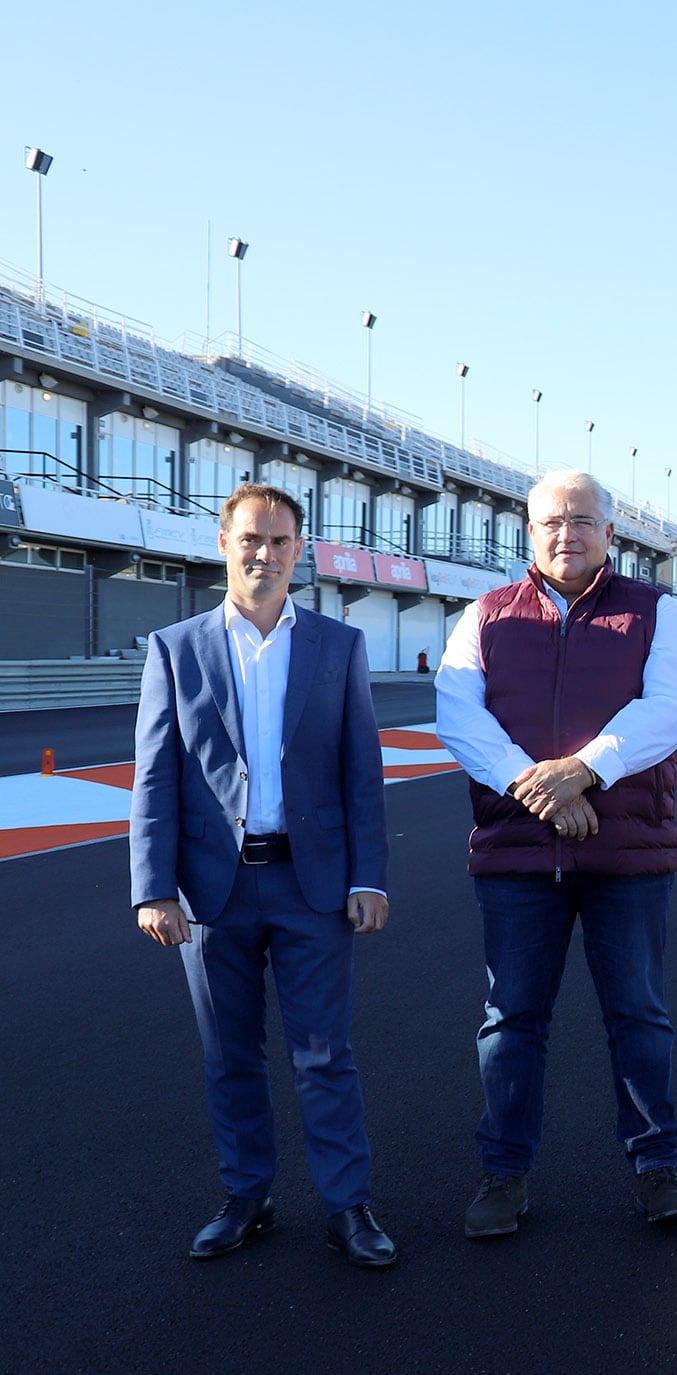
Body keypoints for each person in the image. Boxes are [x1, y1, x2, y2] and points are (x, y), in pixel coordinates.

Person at [129, 482, 396, 1268]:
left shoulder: (338, 646)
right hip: (213, 894)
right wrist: (152, 886)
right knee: (230, 1056)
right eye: (252, 538)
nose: (266, 554)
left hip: (312, 887)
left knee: (325, 1054)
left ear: (300, 550)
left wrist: (369, 876)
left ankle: (348, 1206)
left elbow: (362, 771)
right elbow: (155, 776)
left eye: (281, 541)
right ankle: (247, 1196)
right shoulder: (174, 649)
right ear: (223, 543)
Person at [436, 468, 677, 1238]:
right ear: (529, 532)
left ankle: (658, 1169)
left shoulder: (657, 613)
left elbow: (670, 709)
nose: (567, 533)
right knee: (511, 1019)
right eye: (552, 520)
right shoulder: (484, 616)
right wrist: (541, 786)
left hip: (627, 854)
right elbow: (459, 714)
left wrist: (585, 768)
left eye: (583, 520)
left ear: (609, 533)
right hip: (519, 853)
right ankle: (503, 1176)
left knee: (640, 1016)